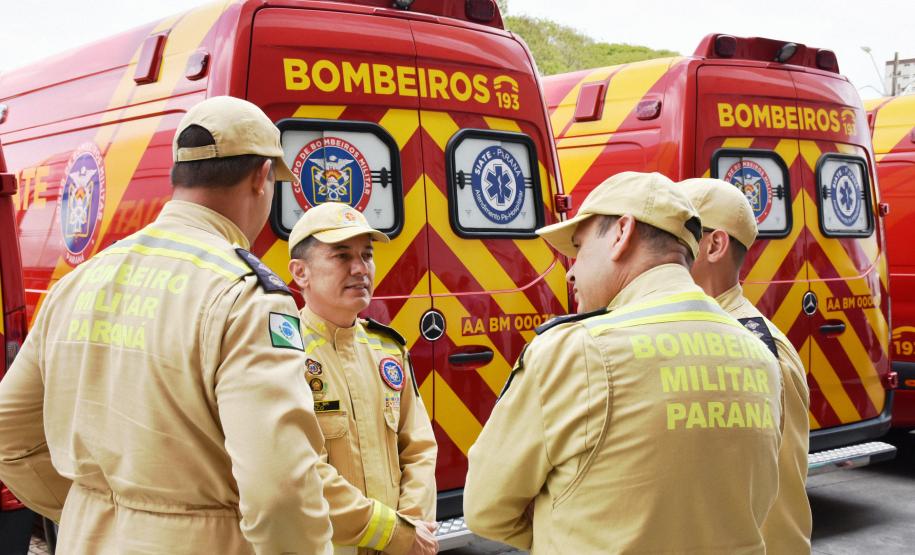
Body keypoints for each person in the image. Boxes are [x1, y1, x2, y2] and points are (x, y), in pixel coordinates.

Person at [0, 96, 332, 554]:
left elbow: (9, 437)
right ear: (260, 178)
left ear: (180, 175)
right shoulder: (246, 297)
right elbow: (280, 492)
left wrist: (97, 509)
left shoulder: (80, 281)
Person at [463, 171, 784, 554]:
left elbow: (485, 509)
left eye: (579, 248)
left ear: (621, 233)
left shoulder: (576, 351)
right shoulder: (760, 353)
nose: (571, 270)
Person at [287, 202, 438, 555]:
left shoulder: (388, 350)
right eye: (341, 256)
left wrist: (410, 527)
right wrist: (394, 534)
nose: (360, 268)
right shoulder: (283, 355)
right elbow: (301, 473)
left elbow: (418, 448)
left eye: (366, 255)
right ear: (300, 272)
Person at [682, 177, 812, 554]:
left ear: (714, 245)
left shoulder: (757, 351)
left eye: (671, 236)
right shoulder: (692, 331)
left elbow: (779, 507)